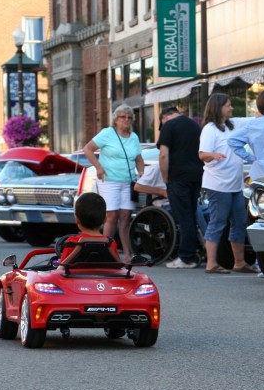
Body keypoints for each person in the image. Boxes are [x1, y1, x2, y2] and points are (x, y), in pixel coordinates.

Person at [198, 93, 257, 274]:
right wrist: (213, 155)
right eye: (228, 105)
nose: (231, 108)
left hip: (235, 185)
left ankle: (239, 262)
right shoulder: (210, 129)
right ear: (218, 108)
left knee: (239, 222)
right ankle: (211, 263)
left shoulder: (233, 125)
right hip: (218, 184)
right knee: (218, 222)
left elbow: (255, 120)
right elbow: (202, 155)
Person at [82, 104, 145, 262]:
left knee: (126, 216)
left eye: (129, 117)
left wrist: (141, 172)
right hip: (109, 180)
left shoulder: (134, 137)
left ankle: (128, 254)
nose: (126, 120)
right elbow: (88, 149)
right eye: (123, 117)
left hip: (129, 181)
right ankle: (104, 251)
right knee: (112, 216)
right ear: (115, 119)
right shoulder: (107, 133)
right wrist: (98, 168)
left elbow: (138, 158)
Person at [157, 106, 204, 269]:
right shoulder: (195, 126)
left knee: (183, 218)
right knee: (191, 215)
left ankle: (186, 257)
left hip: (178, 177)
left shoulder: (169, 126)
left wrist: (165, 178)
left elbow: (163, 154)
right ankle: (193, 252)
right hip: (196, 176)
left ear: (164, 117)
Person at [56, 192, 120, 270]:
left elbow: (61, 269)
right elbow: (117, 268)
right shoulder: (110, 243)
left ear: (77, 219)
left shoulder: (72, 242)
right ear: (105, 219)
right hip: (104, 280)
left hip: (76, 281)